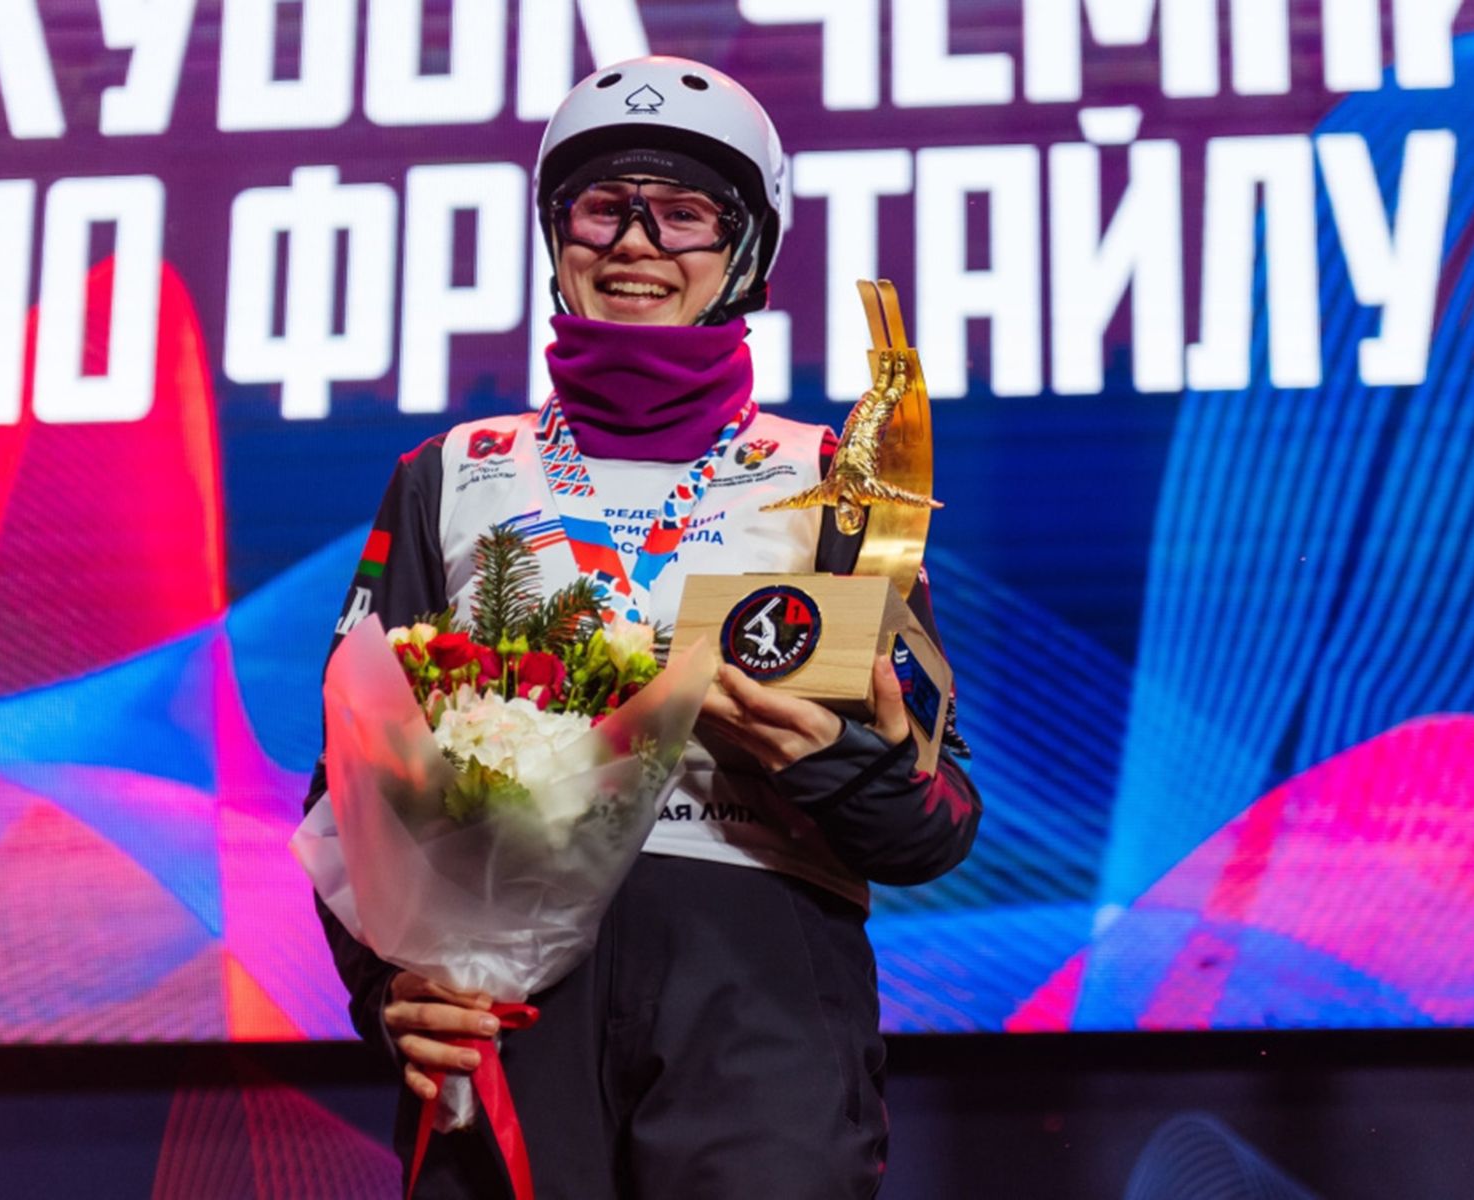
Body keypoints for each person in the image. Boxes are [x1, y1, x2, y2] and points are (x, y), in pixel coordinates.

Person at [304, 55, 981, 1199]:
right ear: (555, 233)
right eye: (603, 206)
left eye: (685, 214)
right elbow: (347, 780)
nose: (636, 243)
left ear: (746, 251)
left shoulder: (838, 482)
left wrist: (830, 761)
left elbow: (937, 824)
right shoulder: (451, 473)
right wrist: (387, 990)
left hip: (757, 1004)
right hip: (507, 1004)